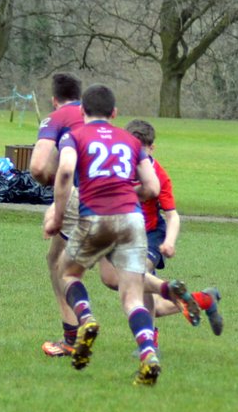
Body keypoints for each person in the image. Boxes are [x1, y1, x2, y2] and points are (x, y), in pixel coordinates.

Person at [44, 84, 163, 385]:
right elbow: (152, 188)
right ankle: (148, 354)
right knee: (132, 297)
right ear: (114, 113)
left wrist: (58, 216)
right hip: (132, 220)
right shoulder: (131, 141)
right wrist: (129, 193)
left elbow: (66, 171)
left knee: (67, 272)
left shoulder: (74, 136)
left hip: (95, 216)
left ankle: (86, 318)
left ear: (82, 111)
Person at [122, 118, 223, 335]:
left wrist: (169, 242)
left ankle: (150, 341)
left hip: (151, 235)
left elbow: (172, 215)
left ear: (152, 148)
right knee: (155, 306)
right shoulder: (119, 167)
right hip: (126, 235)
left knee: (138, 273)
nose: (137, 157)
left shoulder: (159, 176)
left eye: (142, 152)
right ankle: (205, 299)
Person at [30, 73, 86, 356]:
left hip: (80, 197)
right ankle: (189, 297)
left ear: (54, 99)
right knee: (120, 277)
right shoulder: (96, 116)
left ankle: (72, 335)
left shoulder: (56, 118)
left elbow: (39, 167)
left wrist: (53, 194)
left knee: (57, 261)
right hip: (118, 201)